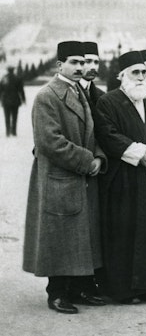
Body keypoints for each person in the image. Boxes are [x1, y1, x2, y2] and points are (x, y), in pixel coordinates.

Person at [23, 40, 106, 314]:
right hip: (60, 176)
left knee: (81, 236)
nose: (81, 67)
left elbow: (93, 133)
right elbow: (50, 142)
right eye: (75, 62)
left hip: (79, 176)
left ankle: (79, 288)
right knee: (60, 237)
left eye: (83, 62)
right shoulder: (47, 95)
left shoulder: (79, 92)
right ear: (60, 65)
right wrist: (87, 161)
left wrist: (99, 157)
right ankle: (56, 293)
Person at [93, 50, 146, 303]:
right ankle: (125, 290)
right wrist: (139, 153)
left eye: (144, 72)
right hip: (125, 183)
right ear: (122, 76)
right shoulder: (108, 102)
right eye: (136, 73)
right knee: (126, 235)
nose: (142, 77)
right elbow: (107, 134)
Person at [0, 64, 25, 136]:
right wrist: (23, 99)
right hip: (15, 100)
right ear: (13, 70)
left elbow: (0, 90)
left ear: (8, 70)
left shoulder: (4, 78)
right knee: (14, 117)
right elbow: (21, 90)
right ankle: (14, 131)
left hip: (6, 101)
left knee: (7, 117)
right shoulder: (17, 78)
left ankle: (7, 131)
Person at [78, 42, 104, 111]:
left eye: (96, 62)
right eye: (88, 61)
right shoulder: (69, 92)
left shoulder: (101, 95)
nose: (93, 67)